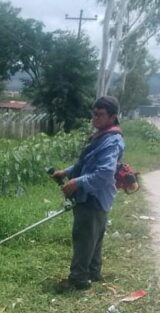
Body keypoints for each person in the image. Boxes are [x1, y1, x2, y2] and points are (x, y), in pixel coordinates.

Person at [51, 96, 125, 292]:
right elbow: (86, 164)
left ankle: (79, 279)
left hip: (94, 196)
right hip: (93, 195)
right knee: (94, 236)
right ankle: (93, 271)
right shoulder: (102, 135)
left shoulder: (111, 140)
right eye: (94, 114)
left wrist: (77, 182)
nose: (95, 118)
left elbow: (105, 172)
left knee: (84, 237)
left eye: (100, 115)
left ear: (113, 117)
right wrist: (66, 172)